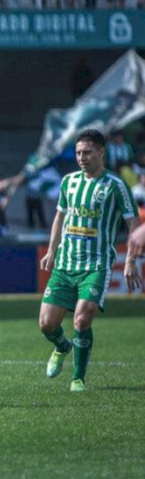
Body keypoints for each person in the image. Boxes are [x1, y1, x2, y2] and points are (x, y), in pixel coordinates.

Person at [39, 129, 140, 392]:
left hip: (96, 264)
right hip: (65, 263)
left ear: (101, 152)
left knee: (82, 320)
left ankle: (77, 378)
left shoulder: (116, 185)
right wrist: (52, 250)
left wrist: (131, 259)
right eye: (78, 153)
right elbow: (60, 217)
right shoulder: (69, 182)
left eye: (87, 152)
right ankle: (62, 346)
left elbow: (134, 224)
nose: (81, 157)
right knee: (46, 324)